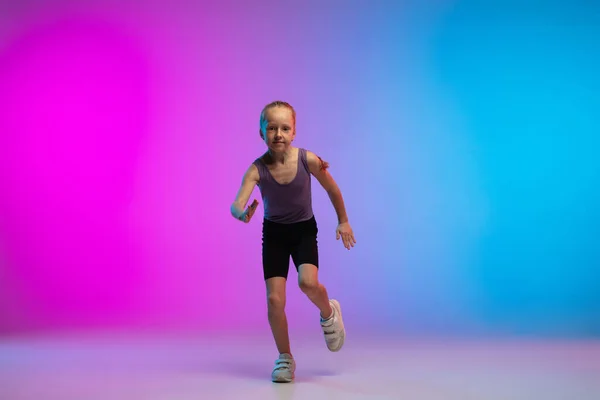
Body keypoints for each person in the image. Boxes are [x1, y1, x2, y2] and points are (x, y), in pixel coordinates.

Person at [230, 100, 356, 383]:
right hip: (274, 234)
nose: (278, 134)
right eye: (271, 128)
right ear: (261, 133)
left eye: (284, 128)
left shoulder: (308, 160)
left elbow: (332, 189)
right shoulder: (257, 169)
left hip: (302, 231)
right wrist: (241, 212)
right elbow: (237, 203)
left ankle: (328, 313)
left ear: (294, 132)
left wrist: (343, 220)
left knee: (307, 283)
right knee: (274, 300)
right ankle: (285, 358)